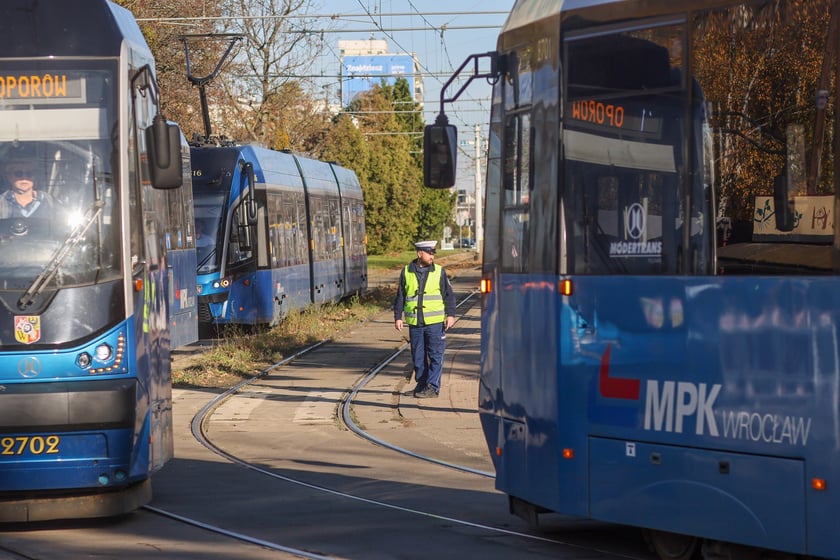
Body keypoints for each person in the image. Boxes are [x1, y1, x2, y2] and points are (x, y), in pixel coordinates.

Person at [393, 240, 456, 398]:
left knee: (436, 355)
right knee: (418, 357)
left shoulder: (439, 272)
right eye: (430, 253)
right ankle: (421, 386)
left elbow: (449, 296)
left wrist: (451, 315)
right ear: (419, 253)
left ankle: (433, 387)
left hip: (434, 323)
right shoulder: (406, 271)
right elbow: (400, 296)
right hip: (415, 323)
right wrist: (398, 317)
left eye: (433, 253)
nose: (432, 256)